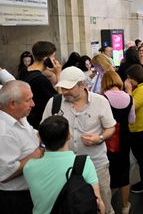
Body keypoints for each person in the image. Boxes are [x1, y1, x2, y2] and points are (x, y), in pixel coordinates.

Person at [42, 66, 117, 214]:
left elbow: (111, 128)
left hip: (96, 164)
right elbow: (43, 129)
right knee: (68, 206)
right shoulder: (54, 103)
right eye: (62, 88)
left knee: (103, 204)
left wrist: (99, 138)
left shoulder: (100, 101)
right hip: (63, 166)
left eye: (69, 88)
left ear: (82, 85)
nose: (64, 92)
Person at [23, 115, 105, 214]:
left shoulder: (29, 167)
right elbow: (98, 205)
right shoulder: (84, 163)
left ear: (40, 139)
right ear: (69, 135)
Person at [0, 80, 43, 214]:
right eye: (28, 100)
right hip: (15, 199)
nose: (33, 104)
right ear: (12, 104)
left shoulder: (20, 117)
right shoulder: (4, 132)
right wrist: (39, 151)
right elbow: (4, 174)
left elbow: (34, 135)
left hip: (30, 194)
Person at [101, 71, 135, 214]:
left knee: (106, 170)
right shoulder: (129, 98)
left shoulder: (102, 98)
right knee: (124, 170)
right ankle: (125, 205)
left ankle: (107, 205)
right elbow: (132, 120)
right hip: (124, 137)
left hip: (107, 138)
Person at [124, 64, 143, 193]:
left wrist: (128, 91)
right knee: (141, 156)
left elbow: (130, 106)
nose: (128, 80)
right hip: (138, 127)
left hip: (141, 128)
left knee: (142, 157)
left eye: (130, 78)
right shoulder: (141, 87)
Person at [25, 41, 61, 129]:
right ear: (46, 59)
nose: (55, 60)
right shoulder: (40, 79)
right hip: (39, 122)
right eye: (53, 57)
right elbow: (58, 100)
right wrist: (59, 75)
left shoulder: (25, 71)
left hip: (29, 119)